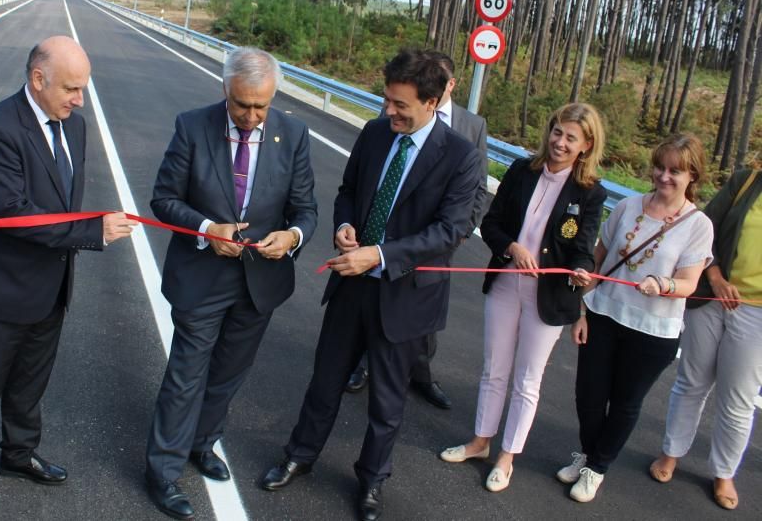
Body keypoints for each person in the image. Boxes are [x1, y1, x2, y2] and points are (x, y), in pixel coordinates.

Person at [259, 48, 479, 521]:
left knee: (387, 400)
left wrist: (377, 255)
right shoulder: (376, 133)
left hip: (405, 294)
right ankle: (300, 455)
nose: (389, 112)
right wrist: (345, 226)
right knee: (326, 380)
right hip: (352, 284)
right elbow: (348, 192)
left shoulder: (460, 156)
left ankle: (372, 480)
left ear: (434, 102)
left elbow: (449, 231)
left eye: (401, 105)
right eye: (387, 101)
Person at [0, 36, 135, 521]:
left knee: (30, 383)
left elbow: (64, 200)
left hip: (51, 287)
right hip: (1, 291)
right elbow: (10, 212)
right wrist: (92, 230)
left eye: (83, 89)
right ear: (37, 79)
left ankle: (18, 453)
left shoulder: (77, 126)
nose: (79, 100)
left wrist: (85, 224)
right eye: (72, 88)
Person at [144, 47, 317, 520]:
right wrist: (206, 229)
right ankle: (162, 471)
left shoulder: (294, 134)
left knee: (227, 374)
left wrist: (293, 236)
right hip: (202, 276)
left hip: (260, 281)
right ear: (226, 89)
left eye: (262, 106)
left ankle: (202, 442)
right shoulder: (192, 127)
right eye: (243, 105)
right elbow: (164, 199)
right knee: (186, 375)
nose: (252, 116)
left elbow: (305, 210)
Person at [440, 103, 607, 492]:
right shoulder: (520, 171)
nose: (560, 143)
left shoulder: (590, 193)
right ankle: (480, 442)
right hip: (505, 283)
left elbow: (583, 248)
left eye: (570, 138)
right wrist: (513, 248)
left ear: (586, 145)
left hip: (547, 299)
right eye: (556, 132)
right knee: (493, 368)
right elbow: (492, 223)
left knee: (527, 380)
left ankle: (507, 456)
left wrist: (581, 272)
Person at [561, 133, 714, 503]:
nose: (664, 176)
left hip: (653, 331)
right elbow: (597, 258)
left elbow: (689, 284)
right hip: (603, 314)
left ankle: (596, 468)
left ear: (692, 175)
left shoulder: (699, 226)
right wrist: (581, 307)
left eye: (675, 171)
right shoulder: (629, 206)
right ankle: (587, 453)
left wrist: (661, 283)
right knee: (589, 396)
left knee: (626, 402)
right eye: (660, 167)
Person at [347, 54, 489, 411]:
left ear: (442, 90)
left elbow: (479, 191)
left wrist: (459, 233)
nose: (390, 109)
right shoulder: (394, 118)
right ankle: (364, 365)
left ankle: (422, 375)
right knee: (377, 310)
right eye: (388, 102)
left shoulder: (471, 127)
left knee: (419, 320)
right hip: (388, 242)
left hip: (438, 244)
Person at [648, 168, 762, 511]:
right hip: (713, 297)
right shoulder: (747, 180)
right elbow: (705, 229)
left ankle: (723, 472)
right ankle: (671, 453)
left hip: (757, 313)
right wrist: (713, 275)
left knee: (739, 398)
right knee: (691, 382)